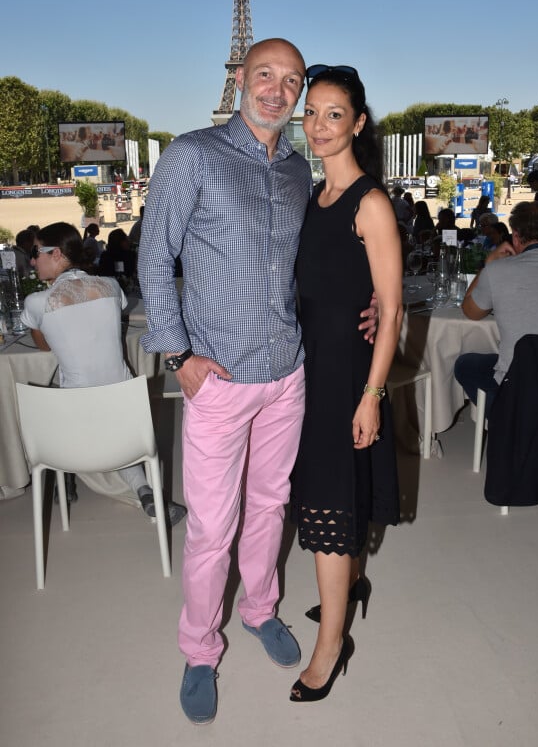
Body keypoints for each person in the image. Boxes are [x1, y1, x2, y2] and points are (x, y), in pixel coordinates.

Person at [137, 39, 378, 725]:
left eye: (292, 80)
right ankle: (198, 648)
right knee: (214, 526)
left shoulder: (300, 170)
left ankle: (260, 608)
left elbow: (323, 256)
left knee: (272, 506)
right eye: (265, 75)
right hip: (219, 373)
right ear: (239, 78)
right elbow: (155, 257)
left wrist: (367, 303)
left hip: (289, 372)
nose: (277, 90)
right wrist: (177, 353)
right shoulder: (192, 155)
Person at [289, 65, 402, 703]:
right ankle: (347, 588)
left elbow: (391, 310)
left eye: (334, 114)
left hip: (345, 380)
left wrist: (372, 395)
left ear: (359, 123)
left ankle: (331, 646)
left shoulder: (371, 202)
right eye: (312, 113)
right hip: (308, 370)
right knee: (323, 496)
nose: (319, 125)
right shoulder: (314, 197)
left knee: (329, 507)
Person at [20, 222, 186, 524]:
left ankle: (63, 482)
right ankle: (145, 491)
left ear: (56, 254)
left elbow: (44, 346)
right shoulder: (111, 286)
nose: (32, 260)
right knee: (106, 417)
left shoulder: (36, 303)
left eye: (36, 252)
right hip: (126, 418)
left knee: (49, 392)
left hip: (71, 437)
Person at [454, 201, 538, 415]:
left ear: (515, 235)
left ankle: (508, 419)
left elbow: (470, 311)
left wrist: (489, 263)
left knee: (466, 364)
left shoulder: (498, 270)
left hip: (519, 385)